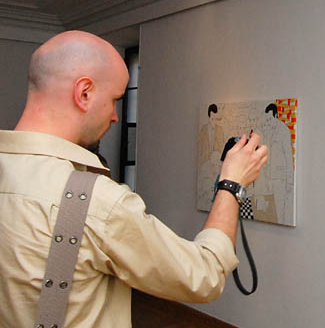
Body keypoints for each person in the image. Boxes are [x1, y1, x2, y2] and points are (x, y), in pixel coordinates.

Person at [0, 30, 268, 327]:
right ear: (84, 93)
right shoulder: (95, 202)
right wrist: (231, 184)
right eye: (115, 99)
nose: (115, 116)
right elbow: (204, 276)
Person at [252, 103, 294, 225]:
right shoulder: (265, 130)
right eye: (267, 119)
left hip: (280, 177)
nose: (268, 122)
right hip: (267, 177)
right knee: (269, 210)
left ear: (276, 115)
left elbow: (288, 156)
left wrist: (290, 181)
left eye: (270, 119)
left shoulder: (283, 130)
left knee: (280, 208)